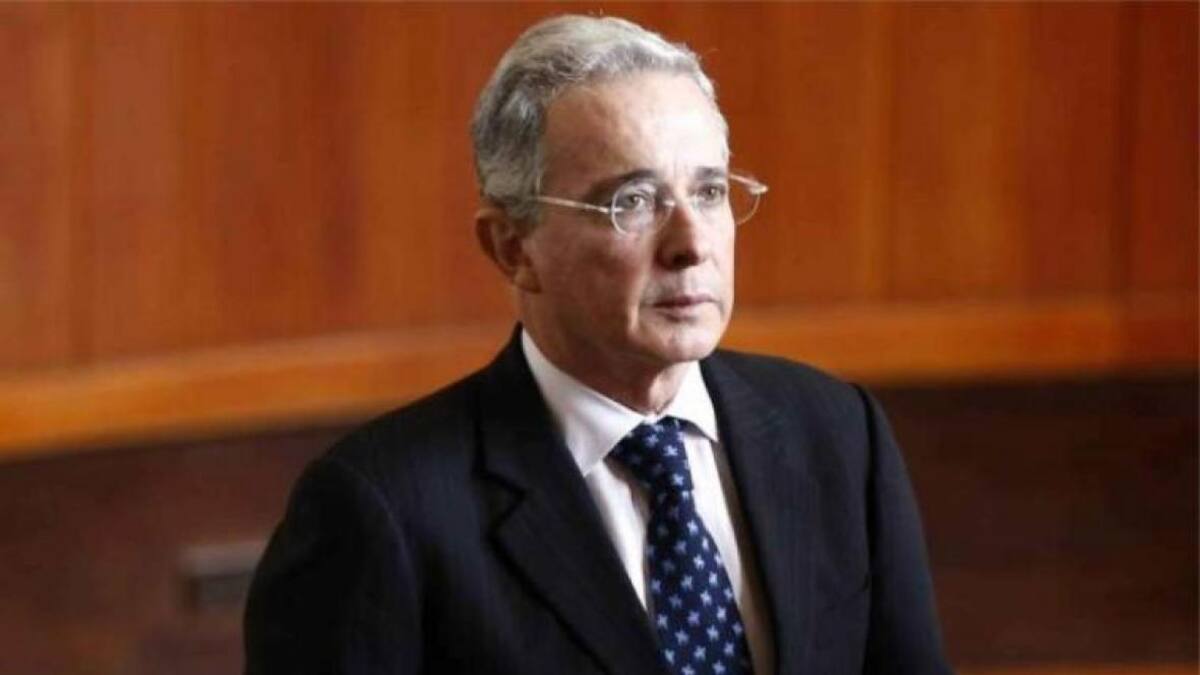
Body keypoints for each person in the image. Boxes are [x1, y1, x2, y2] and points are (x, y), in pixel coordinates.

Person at [244, 14, 951, 675]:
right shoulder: (381, 509)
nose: (692, 244)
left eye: (709, 192)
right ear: (513, 247)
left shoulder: (837, 431)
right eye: (632, 201)